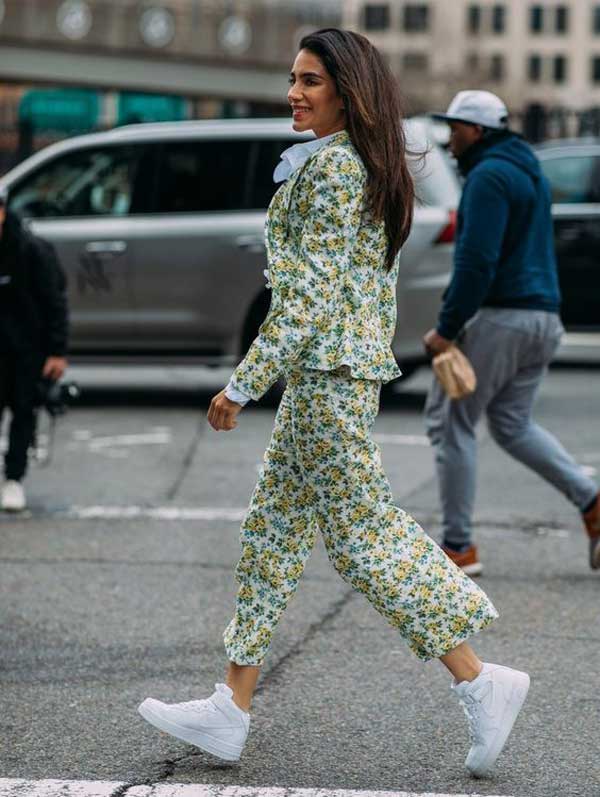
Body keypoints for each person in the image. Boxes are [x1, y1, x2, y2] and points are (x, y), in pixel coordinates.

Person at [138, 32, 530, 778]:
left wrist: (241, 383)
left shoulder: (337, 171)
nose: (294, 92)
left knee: (362, 538)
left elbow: (307, 297)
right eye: (292, 79)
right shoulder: (343, 166)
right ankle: (231, 706)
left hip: (327, 375)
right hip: (327, 374)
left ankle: (481, 680)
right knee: (273, 533)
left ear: (347, 92)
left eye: (310, 81)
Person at [423, 90, 600, 576]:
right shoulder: (529, 171)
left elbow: (476, 262)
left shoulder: (487, 176)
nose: (449, 137)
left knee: (449, 421)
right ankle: (593, 503)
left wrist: (446, 328)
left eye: (455, 128)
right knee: (512, 423)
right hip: (545, 317)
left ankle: (458, 547)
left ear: (477, 132)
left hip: (504, 314)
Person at [0, 187, 68, 511]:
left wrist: (57, 351)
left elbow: (56, 302)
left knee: (23, 412)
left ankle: (14, 479)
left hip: (27, 348)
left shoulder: (32, 249)